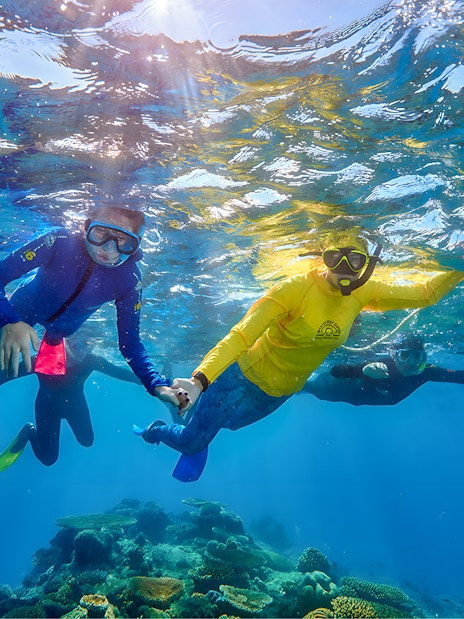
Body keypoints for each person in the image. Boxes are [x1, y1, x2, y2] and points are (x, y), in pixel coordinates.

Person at [134, 231, 464, 480]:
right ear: (323, 258)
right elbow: (240, 335)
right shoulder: (294, 289)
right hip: (240, 381)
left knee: (228, 426)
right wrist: (199, 380)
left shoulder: (366, 291)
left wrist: (459, 261)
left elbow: (426, 293)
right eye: (336, 258)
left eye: (356, 260)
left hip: (280, 393)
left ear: (368, 264)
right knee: (193, 443)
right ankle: (160, 430)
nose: (345, 269)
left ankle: (192, 418)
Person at [0, 205, 188, 469]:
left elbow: (130, 344)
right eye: (100, 233)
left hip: (56, 339)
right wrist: (11, 320)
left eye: (123, 241)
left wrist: (157, 384)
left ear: (136, 246)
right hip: (18, 313)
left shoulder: (129, 279)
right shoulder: (58, 241)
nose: (108, 249)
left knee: (47, 379)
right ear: (86, 227)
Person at [0, 333, 144, 470]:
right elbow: (9, 374)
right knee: (48, 459)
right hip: (47, 409)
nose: (82, 352)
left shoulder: (91, 361)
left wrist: (147, 381)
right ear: (66, 343)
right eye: (77, 346)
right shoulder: (44, 360)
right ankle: (28, 432)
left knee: (87, 440)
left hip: (75, 406)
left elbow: (118, 372)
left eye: (87, 346)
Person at [303, 334, 464, 406]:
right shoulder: (382, 364)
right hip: (339, 389)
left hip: (370, 397)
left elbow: (458, 377)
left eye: (419, 357)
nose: (412, 363)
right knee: (310, 387)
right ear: (394, 356)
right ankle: (300, 387)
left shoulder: (427, 371)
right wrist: (364, 370)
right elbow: (337, 371)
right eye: (405, 355)